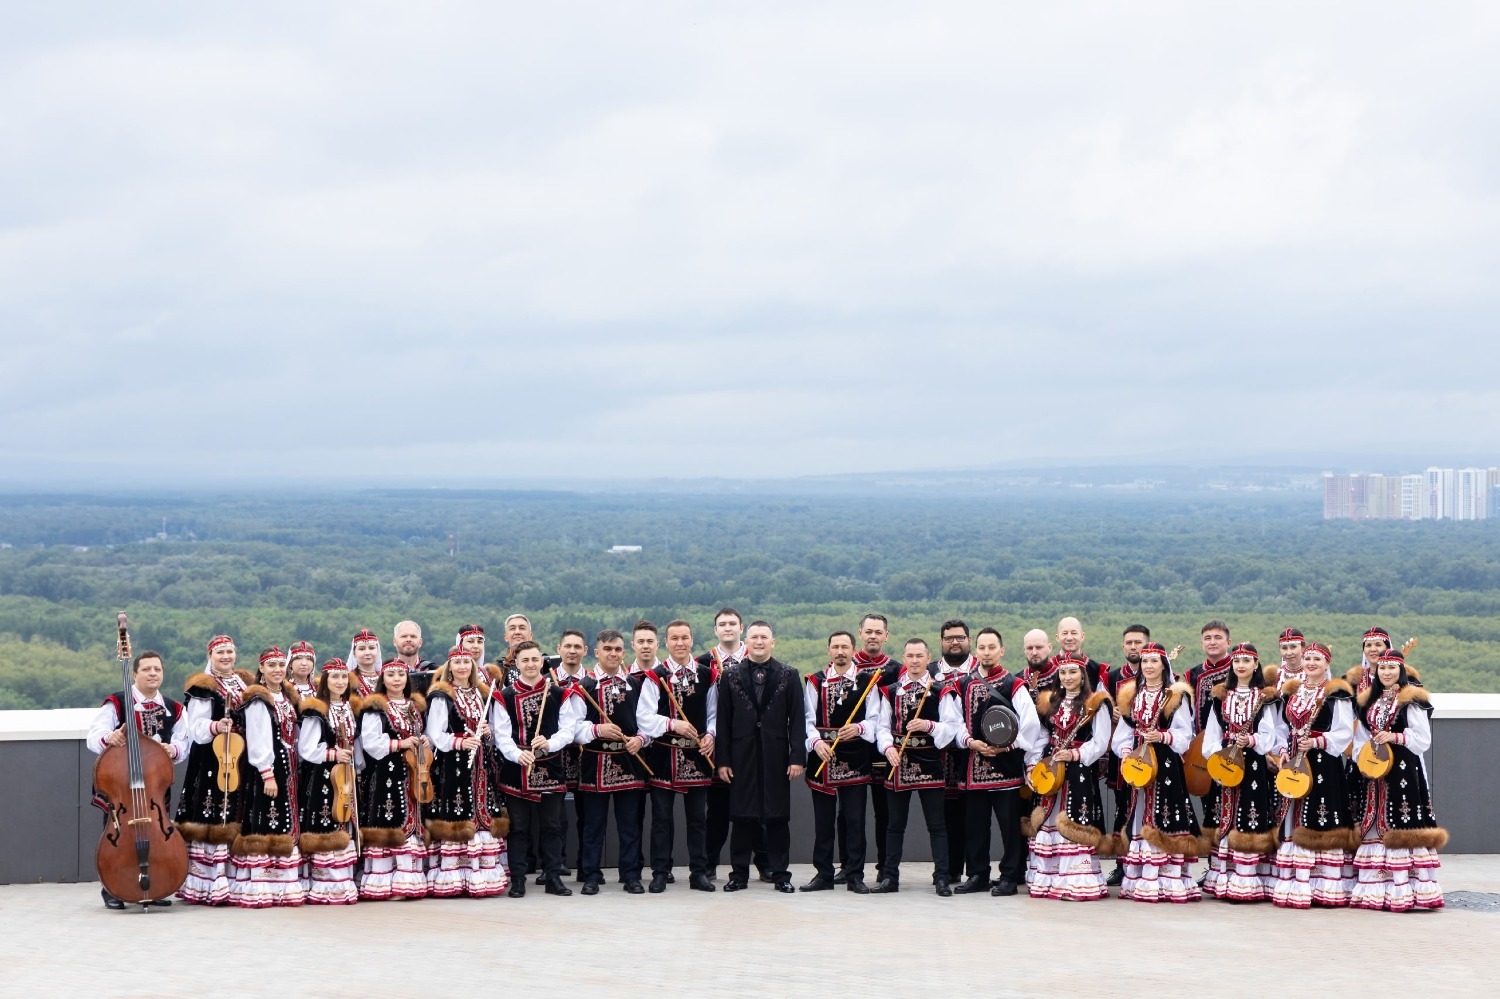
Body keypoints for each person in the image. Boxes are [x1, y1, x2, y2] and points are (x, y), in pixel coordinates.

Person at [940, 627, 1042, 897]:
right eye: (982, 648)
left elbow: (1030, 724)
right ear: (976, 651)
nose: (987, 652)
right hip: (972, 768)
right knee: (975, 826)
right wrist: (969, 741)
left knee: (1010, 828)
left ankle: (1010, 876)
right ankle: (978, 874)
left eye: (992, 647)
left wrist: (1008, 745)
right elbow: (953, 721)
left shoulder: (1013, 684)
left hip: (1006, 769)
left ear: (1001, 651)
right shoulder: (963, 685)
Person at [87, 648, 188, 909]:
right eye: (146, 669)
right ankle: (113, 889)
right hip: (121, 786)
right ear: (134, 674)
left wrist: (172, 750)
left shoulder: (174, 708)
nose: (153, 673)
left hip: (154, 787)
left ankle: (155, 886)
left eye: (157, 669)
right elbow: (94, 735)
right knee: (118, 838)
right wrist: (110, 737)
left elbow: (183, 743)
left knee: (157, 835)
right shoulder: (117, 702)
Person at [1109, 642, 1206, 903]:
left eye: (1154, 661)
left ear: (1164, 665)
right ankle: (1140, 878)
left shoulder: (1175, 696)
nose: (1149, 666)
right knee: (1139, 811)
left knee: (1164, 813)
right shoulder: (1132, 696)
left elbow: (1185, 735)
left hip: (1165, 764)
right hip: (1138, 764)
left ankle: (1166, 878)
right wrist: (1127, 751)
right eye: (1145, 661)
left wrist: (1163, 736)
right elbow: (1123, 733)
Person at [1350, 649, 1446, 911]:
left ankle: (1404, 889)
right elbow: (1360, 739)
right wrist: (1364, 757)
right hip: (1375, 771)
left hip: (1403, 770)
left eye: (1392, 668)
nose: (1387, 672)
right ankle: (1376, 891)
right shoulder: (1368, 702)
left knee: (1402, 821)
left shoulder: (1410, 700)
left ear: (1401, 671)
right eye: (1382, 668)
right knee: (1375, 821)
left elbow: (1422, 739)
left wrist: (1395, 737)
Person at [716, 620, 805, 893]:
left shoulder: (789, 674)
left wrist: (797, 757)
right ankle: (738, 875)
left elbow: (797, 720)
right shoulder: (730, 675)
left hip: (776, 756)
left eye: (764, 637)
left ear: (772, 642)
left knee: (777, 818)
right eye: (754, 637)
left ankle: (781, 875)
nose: (759, 641)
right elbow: (723, 721)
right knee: (742, 817)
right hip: (741, 757)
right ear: (747, 641)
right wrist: (723, 760)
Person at [1269, 642, 1358, 909]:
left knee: (1321, 814)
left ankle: (1323, 885)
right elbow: (1280, 727)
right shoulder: (1292, 691)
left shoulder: (1336, 694)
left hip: (1323, 763)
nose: (1310, 663)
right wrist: (1281, 750)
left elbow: (1344, 731)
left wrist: (1318, 742)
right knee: (1291, 814)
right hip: (1293, 762)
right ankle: (1295, 882)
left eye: (1317, 659)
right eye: (1308, 658)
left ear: (1327, 663)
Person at [568, 629, 652, 895]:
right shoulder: (584, 686)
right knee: (593, 826)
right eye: (607, 649)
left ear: (624, 652)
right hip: (595, 762)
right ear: (596, 652)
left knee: (630, 826)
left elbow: (648, 721)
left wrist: (641, 739)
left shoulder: (636, 685)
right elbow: (572, 728)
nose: (613, 654)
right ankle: (591, 876)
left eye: (617, 649)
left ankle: (631, 875)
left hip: (630, 761)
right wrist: (597, 730)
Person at [1025, 653, 1114, 901]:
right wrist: (1033, 764)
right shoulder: (1050, 701)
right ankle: (1049, 880)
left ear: (1083, 675)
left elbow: (1100, 741)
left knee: (1074, 819)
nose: (1067, 677)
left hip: (1078, 770)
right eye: (1063, 672)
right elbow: (1041, 736)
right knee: (1047, 820)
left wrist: (1075, 754)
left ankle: (1076, 882)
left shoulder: (1096, 702)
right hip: (1050, 769)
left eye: (1073, 672)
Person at [175, 634, 256, 905]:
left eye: (229, 651)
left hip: (240, 758)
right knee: (215, 814)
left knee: (238, 812)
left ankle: (236, 881)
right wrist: (216, 726)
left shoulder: (245, 682)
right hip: (212, 759)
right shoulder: (204, 687)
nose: (226, 657)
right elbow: (195, 728)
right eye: (220, 652)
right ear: (209, 655)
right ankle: (210, 882)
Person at [1201, 644, 1283, 903]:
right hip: (1225, 762)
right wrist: (1219, 754)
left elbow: (1270, 735)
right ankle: (1223, 878)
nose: (1241, 665)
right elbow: (1211, 734)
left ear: (1256, 665)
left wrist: (1251, 741)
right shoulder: (1220, 697)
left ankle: (1246, 879)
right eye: (1237, 661)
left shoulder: (1265, 697)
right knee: (1223, 812)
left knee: (1250, 812)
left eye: (1247, 661)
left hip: (1253, 765)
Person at [424, 646, 508, 899]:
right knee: (457, 810)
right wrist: (459, 742)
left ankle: (481, 875)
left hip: (481, 763)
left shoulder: (482, 692)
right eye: (457, 662)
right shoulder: (442, 695)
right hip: (453, 763)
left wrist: (488, 732)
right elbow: (435, 734)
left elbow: (493, 730)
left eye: (466, 662)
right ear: (449, 667)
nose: (462, 666)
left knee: (482, 811)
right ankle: (453, 877)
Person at [871, 639, 953, 896]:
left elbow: (951, 726)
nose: (915, 660)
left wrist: (929, 726)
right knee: (894, 825)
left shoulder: (941, 690)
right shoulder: (890, 691)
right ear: (904, 658)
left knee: (937, 825)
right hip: (899, 761)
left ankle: (942, 877)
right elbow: (882, 727)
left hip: (930, 760)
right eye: (910, 655)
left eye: (919, 655)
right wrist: (887, 748)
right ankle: (890, 877)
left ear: (928, 658)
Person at [640, 620, 718, 893]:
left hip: (698, 756)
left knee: (698, 819)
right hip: (664, 755)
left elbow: (715, 713)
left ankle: (699, 873)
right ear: (666, 642)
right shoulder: (655, 675)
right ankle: (660, 872)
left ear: (692, 640)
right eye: (674, 638)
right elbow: (644, 717)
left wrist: (711, 735)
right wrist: (673, 724)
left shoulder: (708, 674)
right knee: (662, 819)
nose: (680, 643)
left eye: (685, 637)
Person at [227, 647, 306, 908]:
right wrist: (266, 772)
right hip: (268, 769)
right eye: (271, 665)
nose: (277, 670)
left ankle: (282, 884)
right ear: (261, 668)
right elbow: (257, 737)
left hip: (288, 767)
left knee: (283, 821)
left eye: (281, 665)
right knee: (265, 819)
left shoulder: (287, 696)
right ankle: (262, 884)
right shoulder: (258, 700)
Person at [494, 641, 573, 897]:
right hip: (516, 769)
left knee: (552, 826)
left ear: (542, 662)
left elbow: (568, 730)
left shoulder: (559, 693)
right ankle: (518, 880)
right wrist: (518, 755)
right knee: (518, 827)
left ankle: (553, 878)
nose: (530, 664)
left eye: (534, 659)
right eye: (525, 660)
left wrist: (550, 743)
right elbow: (501, 736)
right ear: (517, 664)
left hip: (550, 767)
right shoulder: (505, 696)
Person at [801, 630, 878, 894]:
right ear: (828, 650)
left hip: (855, 758)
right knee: (823, 823)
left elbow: (875, 719)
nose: (840, 651)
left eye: (845, 647)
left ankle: (855, 874)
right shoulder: (815, 681)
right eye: (835, 647)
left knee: (855, 821)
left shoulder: (868, 681)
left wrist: (859, 728)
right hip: (823, 757)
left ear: (854, 650)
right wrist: (816, 743)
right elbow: (807, 720)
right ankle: (823, 874)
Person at [356, 660, 431, 900]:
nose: (397, 679)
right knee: (389, 818)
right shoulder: (376, 707)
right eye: (391, 675)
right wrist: (400, 744)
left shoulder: (414, 705)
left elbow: (422, 733)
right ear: (383, 679)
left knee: (411, 819)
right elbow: (370, 743)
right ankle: (386, 883)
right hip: (386, 772)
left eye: (401, 674)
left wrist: (425, 740)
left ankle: (407, 881)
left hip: (413, 772)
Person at [296, 657, 361, 905]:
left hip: (346, 775)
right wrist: (334, 754)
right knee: (327, 822)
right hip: (322, 776)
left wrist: (356, 766)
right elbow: (306, 749)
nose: (340, 682)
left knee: (344, 820)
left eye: (344, 677)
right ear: (325, 681)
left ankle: (343, 882)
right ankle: (325, 885)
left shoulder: (349, 708)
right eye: (335, 677)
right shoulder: (316, 710)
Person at [696, 608, 753, 881]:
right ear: (715, 629)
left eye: (732, 623)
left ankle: (763, 862)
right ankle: (708, 863)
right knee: (717, 810)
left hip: (750, 744)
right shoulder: (702, 663)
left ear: (741, 628)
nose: (727, 628)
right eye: (722, 624)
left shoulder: (757, 657)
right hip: (716, 744)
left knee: (754, 807)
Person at [851, 612, 900, 883]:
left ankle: (885, 867)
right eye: (868, 631)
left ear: (886, 636)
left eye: (878, 632)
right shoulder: (846, 665)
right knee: (849, 814)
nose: (873, 636)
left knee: (885, 812)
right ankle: (849, 866)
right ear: (860, 633)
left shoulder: (896, 669)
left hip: (884, 750)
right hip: (852, 749)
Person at [1103, 624, 1150, 886]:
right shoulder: (1111, 678)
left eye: (1138, 642)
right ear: (1123, 646)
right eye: (1129, 643)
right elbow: (1100, 708)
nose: (1133, 647)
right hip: (1121, 753)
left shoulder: (1165, 676)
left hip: (1152, 754)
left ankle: (1151, 861)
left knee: (1151, 807)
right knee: (1122, 807)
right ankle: (1123, 865)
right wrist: (1111, 712)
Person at [935, 619, 975, 884]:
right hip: (938, 758)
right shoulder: (929, 672)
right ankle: (948, 869)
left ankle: (977, 872)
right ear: (941, 642)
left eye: (960, 637)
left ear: (969, 640)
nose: (955, 642)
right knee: (945, 816)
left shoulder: (981, 670)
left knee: (974, 816)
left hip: (975, 755)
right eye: (949, 638)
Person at [552, 629, 589, 880]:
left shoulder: (593, 680)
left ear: (585, 650)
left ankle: (586, 865)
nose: (572, 651)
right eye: (568, 646)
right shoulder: (547, 680)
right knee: (556, 816)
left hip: (587, 755)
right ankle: (557, 863)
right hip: (556, 755)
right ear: (559, 649)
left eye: (577, 646)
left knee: (588, 814)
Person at [392, 620, 437, 697]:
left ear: (420, 642)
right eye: (404, 636)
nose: (408, 639)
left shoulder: (433, 670)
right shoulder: (387, 673)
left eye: (413, 636)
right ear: (395, 641)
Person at [348, 628, 385, 698]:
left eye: (371, 648)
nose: (367, 653)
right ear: (354, 653)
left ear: (377, 651)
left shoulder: (385, 678)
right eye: (362, 649)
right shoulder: (348, 680)